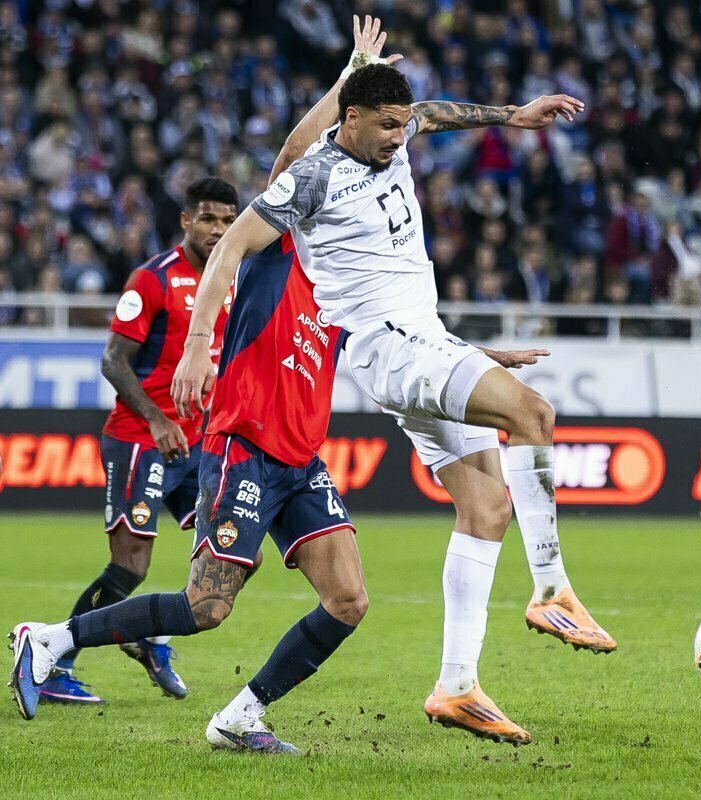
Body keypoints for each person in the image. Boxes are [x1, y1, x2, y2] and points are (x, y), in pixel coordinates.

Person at [171, 57, 609, 746]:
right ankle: (552, 590)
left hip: (425, 341)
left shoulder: (399, 134)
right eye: (384, 126)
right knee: (534, 415)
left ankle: (457, 686)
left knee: (487, 508)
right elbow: (229, 247)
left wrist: (514, 115)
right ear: (349, 119)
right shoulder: (313, 178)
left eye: (402, 126)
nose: (398, 137)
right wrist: (199, 344)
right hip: (392, 350)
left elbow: (433, 112)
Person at [10, 17, 394, 755]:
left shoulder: (347, 290)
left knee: (349, 599)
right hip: (242, 446)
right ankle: (53, 639)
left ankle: (239, 717)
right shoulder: (279, 248)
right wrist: (351, 78)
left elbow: (401, 339)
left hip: (300, 461)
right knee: (206, 606)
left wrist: (477, 361)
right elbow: (292, 157)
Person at [38, 177, 238, 707]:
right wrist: (155, 420)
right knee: (131, 565)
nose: (218, 230)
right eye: (208, 218)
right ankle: (53, 663)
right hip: (140, 439)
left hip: (197, 444)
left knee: (233, 549)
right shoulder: (153, 279)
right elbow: (113, 360)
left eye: (227, 220)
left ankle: (153, 635)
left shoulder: (231, 279)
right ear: (186, 220)